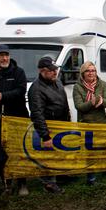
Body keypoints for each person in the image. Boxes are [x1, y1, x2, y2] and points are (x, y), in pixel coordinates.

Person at [0, 44, 29, 196]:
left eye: (6, 54)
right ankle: (6, 184)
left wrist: (3, 96)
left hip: (17, 118)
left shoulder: (18, 72)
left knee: (19, 151)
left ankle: (22, 183)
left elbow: (21, 90)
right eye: (0, 55)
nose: (4, 58)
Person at [28, 56, 70, 194]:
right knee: (48, 155)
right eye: (52, 70)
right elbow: (37, 114)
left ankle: (61, 175)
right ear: (42, 71)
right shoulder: (36, 89)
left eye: (56, 69)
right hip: (48, 127)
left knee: (59, 153)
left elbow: (64, 103)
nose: (55, 72)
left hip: (61, 125)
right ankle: (49, 183)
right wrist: (45, 136)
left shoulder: (57, 82)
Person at [73, 61, 106, 185]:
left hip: (100, 122)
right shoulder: (77, 87)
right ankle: (91, 178)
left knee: (102, 148)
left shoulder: (102, 84)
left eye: (93, 70)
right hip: (85, 124)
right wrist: (92, 102)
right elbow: (79, 106)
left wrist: (101, 101)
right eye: (88, 71)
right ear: (83, 73)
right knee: (89, 152)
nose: (91, 73)